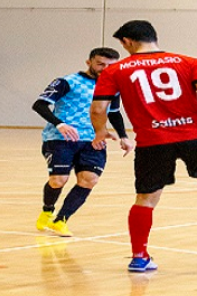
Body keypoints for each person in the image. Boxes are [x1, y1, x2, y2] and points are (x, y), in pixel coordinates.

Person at [91, 20, 197, 272]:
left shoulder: (115, 70)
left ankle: (139, 257)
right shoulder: (189, 62)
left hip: (153, 141)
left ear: (127, 41)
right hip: (195, 134)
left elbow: (98, 109)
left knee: (146, 198)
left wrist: (100, 131)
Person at [33, 47, 134, 237]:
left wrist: (123, 136)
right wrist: (60, 124)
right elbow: (39, 104)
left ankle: (61, 220)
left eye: (110, 66)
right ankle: (47, 210)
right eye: (100, 64)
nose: (105, 69)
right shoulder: (67, 82)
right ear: (89, 62)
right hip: (61, 138)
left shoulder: (113, 87)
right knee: (58, 180)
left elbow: (113, 113)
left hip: (93, 139)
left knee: (89, 179)